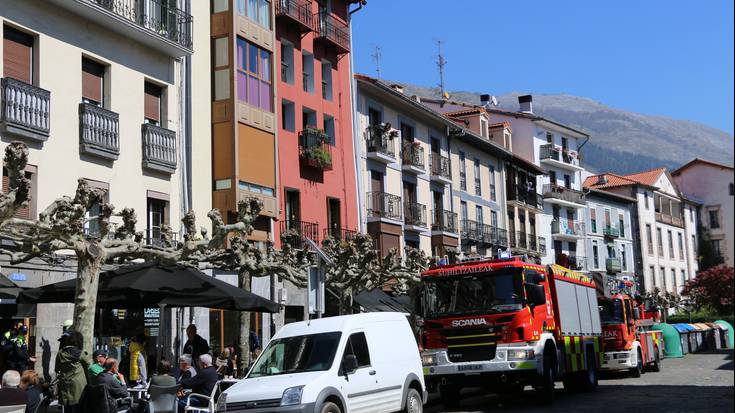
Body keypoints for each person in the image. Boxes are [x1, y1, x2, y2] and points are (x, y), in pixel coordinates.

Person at [55, 331, 88, 412]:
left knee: (67, 408)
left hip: (65, 383)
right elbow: (87, 366)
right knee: (78, 406)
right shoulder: (81, 353)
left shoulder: (60, 353)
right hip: (79, 384)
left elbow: (57, 369)